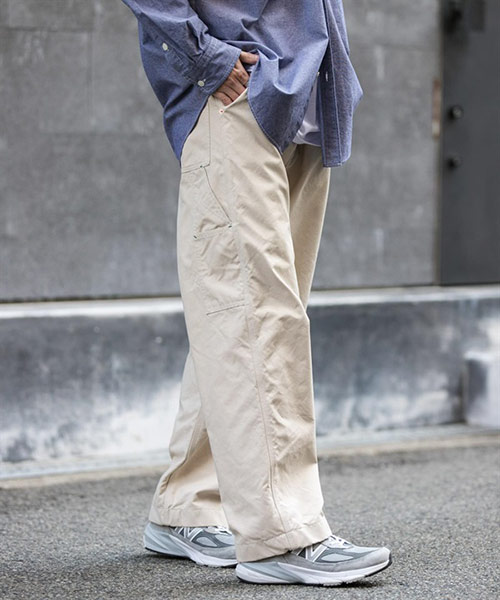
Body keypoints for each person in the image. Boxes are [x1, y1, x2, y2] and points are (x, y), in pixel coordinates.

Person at [120, 0, 392, 586]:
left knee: (244, 318)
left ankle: (186, 504)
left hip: (307, 97)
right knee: (260, 321)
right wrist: (203, 55)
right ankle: (281, 533)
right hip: (237, 92)